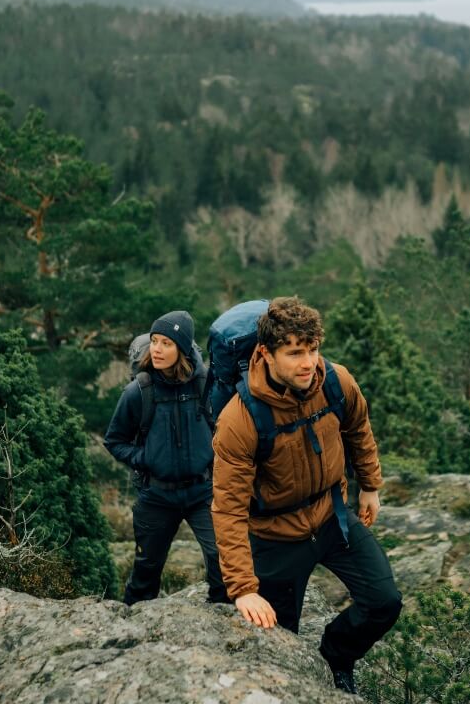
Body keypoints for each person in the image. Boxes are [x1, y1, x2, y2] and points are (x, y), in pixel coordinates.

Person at [211, 296, 402, 695]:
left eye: (312, 349)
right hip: (276, 537)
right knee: (280, 647)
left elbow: (358, 427)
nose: (308, 362)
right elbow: (228, 509)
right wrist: (243, 588)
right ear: (265, 353)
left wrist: (370, 485)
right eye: (295, 352)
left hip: (332, 516)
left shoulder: (336, 380)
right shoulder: (239, 419)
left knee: (384, 602)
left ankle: (336, 656)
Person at [104, 310, 228, 605]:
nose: (156, 350)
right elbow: (115, 441)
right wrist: (146, 458)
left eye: (166, 343)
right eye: (155, 341)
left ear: (183, 349)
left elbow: (229, 429)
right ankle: (131, 627)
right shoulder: (140, 390)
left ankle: (224, 620)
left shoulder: (206, 385)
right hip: (157, 495)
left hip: (203, 491)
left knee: (222, 560)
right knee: (146, 569)